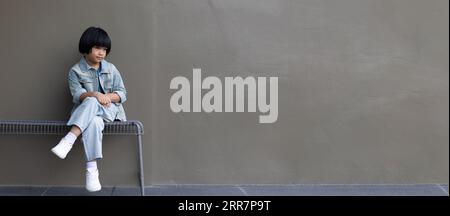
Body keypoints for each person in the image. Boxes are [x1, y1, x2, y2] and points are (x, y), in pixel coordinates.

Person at [51, 26, 127, 192]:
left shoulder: (111, 69)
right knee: (94, 121)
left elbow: (122, 93)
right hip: (88, 115)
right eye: (97, 48)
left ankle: (69, 140)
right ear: (86, 48)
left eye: (104, 49)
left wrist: (106, 97)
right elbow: (78, 94)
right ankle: (92, 171)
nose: (101, 53)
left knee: (94, 102)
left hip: (110, 112)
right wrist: (94, 94)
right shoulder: (75, 71)